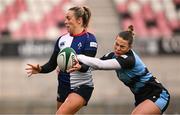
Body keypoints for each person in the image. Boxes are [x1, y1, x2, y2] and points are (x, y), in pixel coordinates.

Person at [69, 25, 170, 114]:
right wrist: (79, 66)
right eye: (116, 44)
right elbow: (93, 65)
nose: (117, 48)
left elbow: (100, 65)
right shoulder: (113, 55)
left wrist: (78, 56)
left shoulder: (129, 59)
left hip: (158, 94)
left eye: (122, 46)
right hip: (141, 97)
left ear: (130, 47)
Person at [25, 6, 98, 115]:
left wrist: (80, 67)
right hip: (63, 85)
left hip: (82, 86)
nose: (65, 21)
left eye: (69, 18)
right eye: (65, 18)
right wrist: (40, 69)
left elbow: (86, 66)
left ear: (79, 20)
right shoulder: (62, 40)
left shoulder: (90, 39)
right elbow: (51, 64)